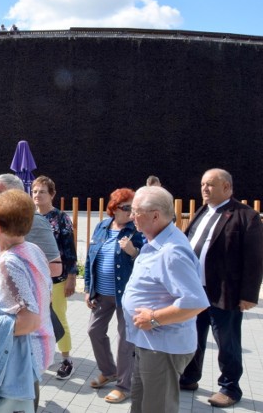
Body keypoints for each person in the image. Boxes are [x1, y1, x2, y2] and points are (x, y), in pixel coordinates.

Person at [179, 168, 263, 407]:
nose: (204, 189)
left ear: (227, 187)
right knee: (193, 337)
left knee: (227, 342)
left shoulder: (245, 216)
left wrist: (249, 295)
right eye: (203, 184)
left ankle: (230, 388)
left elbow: (255, 260)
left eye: (210, 185)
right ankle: (189, 377)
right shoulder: (203, 212)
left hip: (224, 293)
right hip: (195, 290)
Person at [123, 186, 209, 413]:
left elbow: (196, 302)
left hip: (163, 346)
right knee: (141, 404)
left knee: (157, 408)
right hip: (151, 342)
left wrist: (154, 318)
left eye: (135, 211)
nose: (131, 216)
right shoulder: (157, 240)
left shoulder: (172, 252)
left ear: (155, 215)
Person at [0, 189, 53, 412]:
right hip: (33, 355)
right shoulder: (32, 250)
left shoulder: (9, 263)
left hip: (15, 364)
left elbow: (29, 321)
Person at [84, 188, 143, 403]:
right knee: (93, 331)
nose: (131, 212)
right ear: (114, 208)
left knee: (125, 340)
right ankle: (109, 371)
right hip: (101, 293)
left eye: (133, 208)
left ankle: (124, 385)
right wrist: (88, 289)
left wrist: (133, 252)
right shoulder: (101, 227)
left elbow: (148, 261)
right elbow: (90, 259)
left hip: (125, 295)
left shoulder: (136, 231)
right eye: (127, 207)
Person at [32, 176, 78, 379]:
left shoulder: (60, 218)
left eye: (42, 191)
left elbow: (69, 248)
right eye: (34, 191)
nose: (37, 195)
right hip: (34, 277)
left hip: (56, 279)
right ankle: (43, 353)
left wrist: (71, 276)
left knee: (58, 317)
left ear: (52, 194)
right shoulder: (29, 217)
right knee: (37, 318)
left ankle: (66, 359)